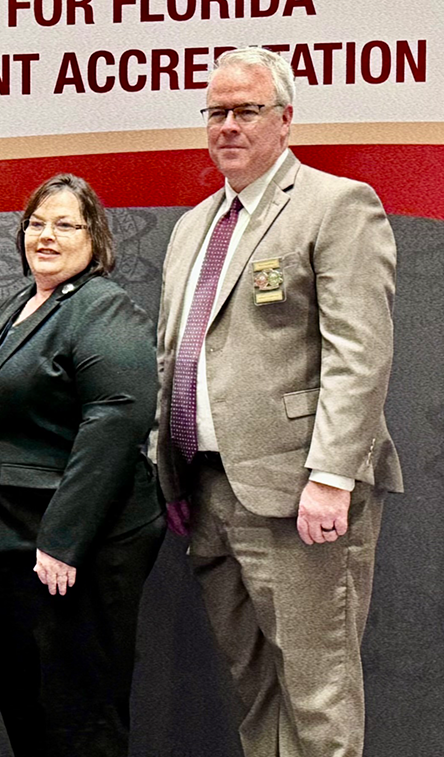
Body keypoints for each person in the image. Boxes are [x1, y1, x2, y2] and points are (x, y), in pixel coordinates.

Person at [155, 47, 401, 757]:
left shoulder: (337, 205)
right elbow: (176, 354)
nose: (228, 126)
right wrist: (168, 465)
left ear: (285, 120)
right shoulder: (192, 226)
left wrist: (331, 477)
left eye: (246, 111)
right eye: (216, 112)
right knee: (255, 685)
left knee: (318, 698)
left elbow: (361, 353)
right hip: (208, 490)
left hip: (301, 494)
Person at [0, 174, 163, 755]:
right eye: (37, 223)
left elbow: (115, 424)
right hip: (5, 540)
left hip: (74, 549)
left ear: (95, 238)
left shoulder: (103, 308)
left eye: (66, 224)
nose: (47, 236)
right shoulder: (19, 305)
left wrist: (63, 540)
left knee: (80, 716)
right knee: (27, 706)